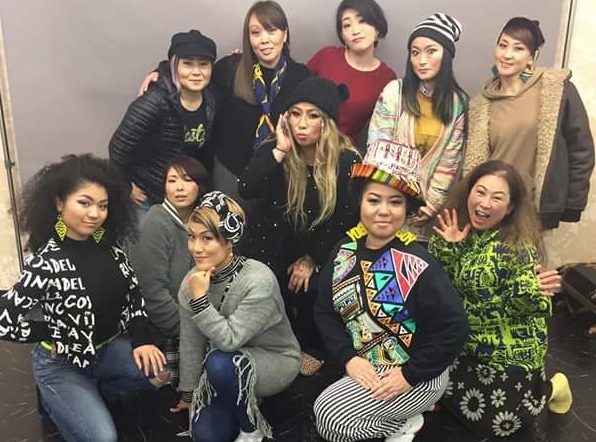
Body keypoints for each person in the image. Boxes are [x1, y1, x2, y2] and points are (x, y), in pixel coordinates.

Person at [0, 154, 168, 442]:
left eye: (102, 205)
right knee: (103, 438)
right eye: (84, 203)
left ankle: (101, 391)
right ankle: (57, 400)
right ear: (59, 203)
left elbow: (134, 298)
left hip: (103, 351)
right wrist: (51, 331)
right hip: (60, 363)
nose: (95, 214)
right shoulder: (46, 261)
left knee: (160, 372)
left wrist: (142, 340)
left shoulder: (111, 249)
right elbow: (3, 320)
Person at [314, 140, 469, 442]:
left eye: (395, 202)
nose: (383, 211)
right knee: (327, 418)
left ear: (407, 209)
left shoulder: (419, 263)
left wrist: (409, 375)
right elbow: (324, 311)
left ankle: (406, 421)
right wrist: (349, 358)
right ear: (360, 202)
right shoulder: (343, 251)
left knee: (330, 418)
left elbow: (455, 328)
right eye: (374, 200)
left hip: (418, 375)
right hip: (367, 365)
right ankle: (399, 419)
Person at [428, 160, 573, 438]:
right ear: (469, 192)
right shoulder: (454, 228)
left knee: (497, 424)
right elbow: (440, 289)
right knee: (442, 399)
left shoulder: (518, 247)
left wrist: (529, 293)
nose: (485, 203)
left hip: (505, 349)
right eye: (480, 192)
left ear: (509, 208)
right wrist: (450, 249)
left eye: (497, 198)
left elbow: (534, 308)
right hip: (462, 341)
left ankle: (553, 388)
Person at [239, 76, 361, 375]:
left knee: (311, 286)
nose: (302, 124)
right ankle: (274, 344)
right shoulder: (274, 151)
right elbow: (246, 188)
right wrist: (280, 150)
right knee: (264, 284)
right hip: (272, 244)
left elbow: (346, 220)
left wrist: (313, 259)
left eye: (312, 115)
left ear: (327, 123)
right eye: (295, 114)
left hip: (321, 246)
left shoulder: (346, 161)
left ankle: (313, 346)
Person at [176, 191, 300, 442]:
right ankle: (241, 395)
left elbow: (229, 340)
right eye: (192, 237)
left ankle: (251, 428)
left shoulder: (258, 279)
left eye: (207, 238)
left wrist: (200, 301)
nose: (196, 248)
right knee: (206, 436)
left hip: (274, 359)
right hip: (225, 367)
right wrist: (189, 393)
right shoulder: (192, 281)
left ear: (229, 241)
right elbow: (191, 341)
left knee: (220, 362)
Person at [464, 17, 594, 229]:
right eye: (503, 45)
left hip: (532, 210)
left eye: (518, 48)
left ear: (531, 57)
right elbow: (474, 163)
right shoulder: (481, 103)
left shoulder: (555, 89)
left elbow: (581, 149)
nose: (507, 54)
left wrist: (572, 204)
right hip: (492, 209)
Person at [367, 13, 468, 243]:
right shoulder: (395, 92)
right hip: (385, 207)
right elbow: (377, 148)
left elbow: (449, 163)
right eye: (415, 52)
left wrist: (430, 205)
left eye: (431, 51)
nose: (422, 60)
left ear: (446, 55)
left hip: (425, 217)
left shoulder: (458, 104)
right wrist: (393, 200)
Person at [109, 30, 217, 216]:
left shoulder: (211, 99)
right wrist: (127, 187)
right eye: (187, 64)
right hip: (150, 198)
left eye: (203, 64)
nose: (196, 72)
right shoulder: (155, 101)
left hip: (186, 199)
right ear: (175, 66)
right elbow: (117, 149)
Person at [129, 155, 209, 389]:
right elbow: (153, 295)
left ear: (200, 186)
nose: (179, 188)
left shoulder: (202, 222)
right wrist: (195, 332)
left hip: (196, 320)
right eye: (172, 181)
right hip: (164, 332)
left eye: (187, 180)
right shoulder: (155, 223)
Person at [307, 0, 396, 148]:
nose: (355, 31)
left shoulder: (386, 78)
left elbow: (381, 128)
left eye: (362, 21)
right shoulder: (326, 56)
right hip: (306, 144)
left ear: (377, 29)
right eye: (347, 25)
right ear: (342, 35)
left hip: (344, 152)